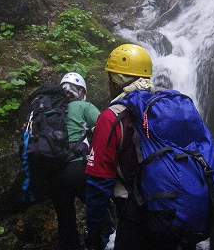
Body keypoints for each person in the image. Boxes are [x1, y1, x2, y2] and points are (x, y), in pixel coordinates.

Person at [84, 44, 198, 250]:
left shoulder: (112, 117)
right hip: (178, 208)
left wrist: (94, 232)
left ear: (116, 80)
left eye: (110, 77)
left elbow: (98, 183)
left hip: (136, 217)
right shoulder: (168, 106)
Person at [43, 72, 100, 250]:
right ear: (82, 91)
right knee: (98, 208)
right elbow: (107, 129)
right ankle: (100, 243)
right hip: (76, 167)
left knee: (65, 221)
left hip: (52, 172)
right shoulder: (84, 106)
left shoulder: (47, 111)